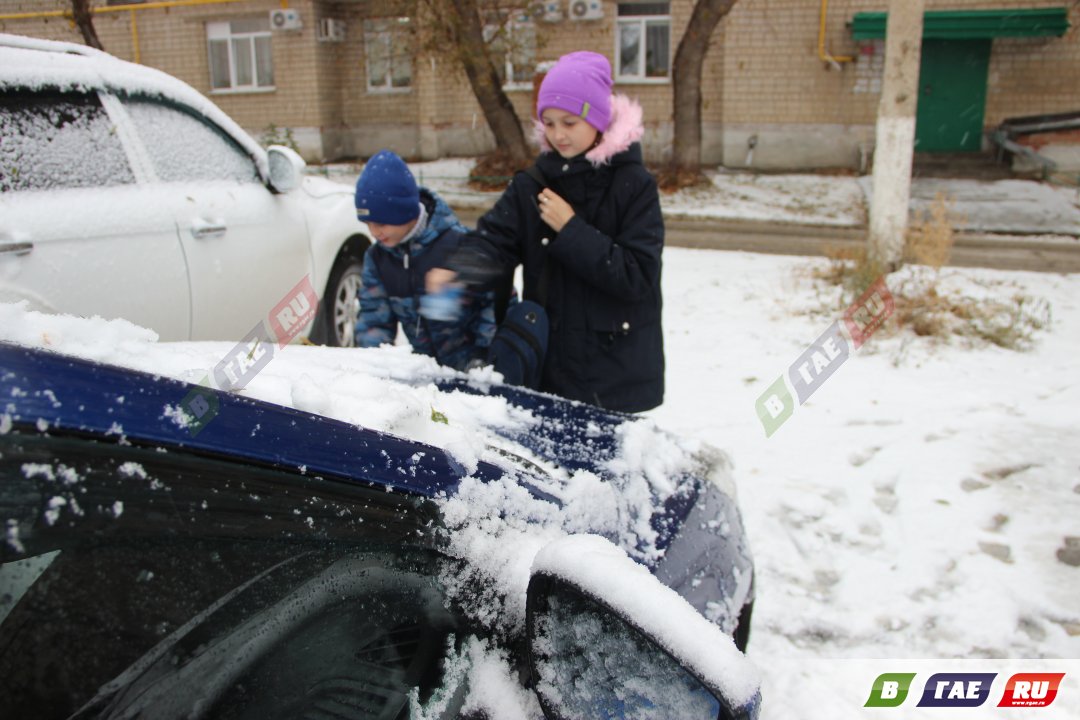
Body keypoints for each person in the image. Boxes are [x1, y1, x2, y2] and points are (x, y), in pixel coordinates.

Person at [429, 51, 665, 412]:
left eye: (569, 123)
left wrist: (571, 230)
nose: (558, 135)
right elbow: (494, 240)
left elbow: (637, 275)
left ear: (598, 119)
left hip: (617, 376)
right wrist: (459, 269)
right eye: (549, 123)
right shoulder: (534, 185)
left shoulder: (634, 185)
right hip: (550, 368)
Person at [353, 150, 496, 371]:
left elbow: (495, 301)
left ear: (404, 212)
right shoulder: (378, 258)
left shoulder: (458, 244)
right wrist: (373, 366)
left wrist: (486, 356)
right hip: (426, 372)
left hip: (477, 369)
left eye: (381, 223)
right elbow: (374, 319)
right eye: (368, 224)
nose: (374, 232)